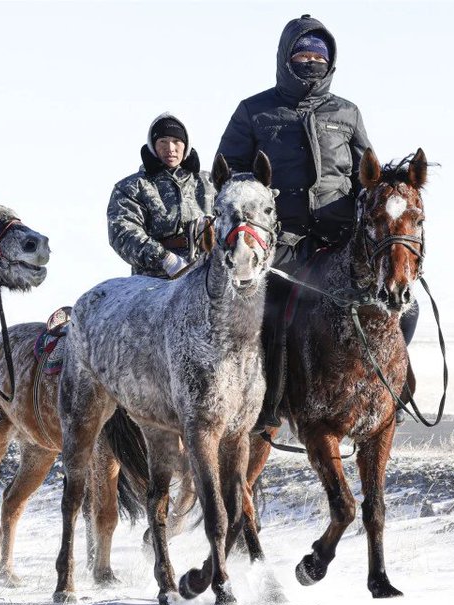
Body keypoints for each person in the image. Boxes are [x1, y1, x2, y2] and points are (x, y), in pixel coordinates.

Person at [216, 15, 417, 432]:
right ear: (286, 58)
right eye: (303, 54)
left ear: (330, 62)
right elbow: (230, 170)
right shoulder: (255, 111)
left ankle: (388, 387)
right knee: (271, 318)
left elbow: (370, 174)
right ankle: (267, 407)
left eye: (318, 55)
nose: (311, 61)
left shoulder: (347, 112)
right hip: (281, 242)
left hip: (341, 242)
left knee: (402, 309)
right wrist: (253, 199)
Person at [107, 113, 214, 278]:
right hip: (154, 279)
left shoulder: (210, 183)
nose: (170, 149)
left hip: (208, 275)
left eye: (176, 141)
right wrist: (165, 259)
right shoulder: (131, 187)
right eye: (163, 142)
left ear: (186, 145)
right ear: (152, 146)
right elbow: (123, 233)